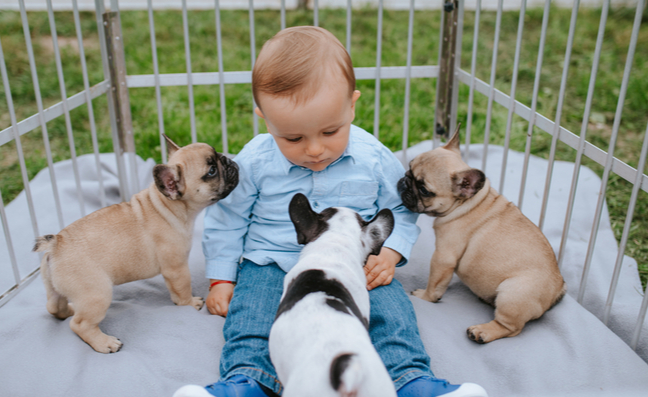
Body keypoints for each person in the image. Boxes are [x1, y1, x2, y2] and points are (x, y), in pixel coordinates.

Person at [174, 26, 487, 397]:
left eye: (330, 131)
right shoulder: (256, 160)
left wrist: (390, 253)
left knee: (391, 314)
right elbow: (229, 220)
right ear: (264, 118)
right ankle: (247, 382)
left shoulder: (371, 157)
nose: (315, 149)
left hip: (354, 263)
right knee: (252, 319)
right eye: (292, 138)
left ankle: (411, 380)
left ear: (352, 105)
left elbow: (400, 209)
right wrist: (222, 278)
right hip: (272, 261)